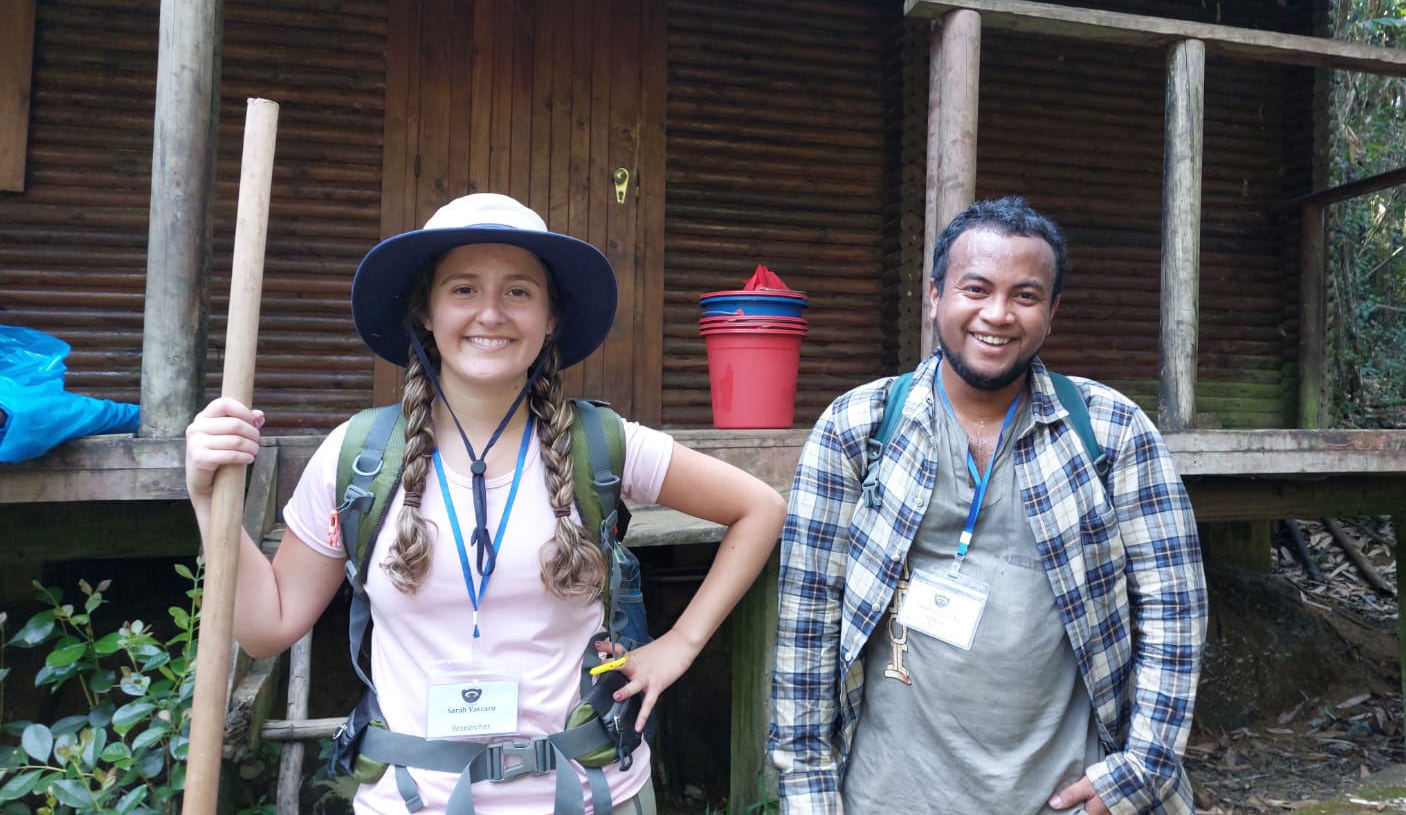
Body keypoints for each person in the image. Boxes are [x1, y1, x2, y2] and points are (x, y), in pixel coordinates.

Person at [186, 193, 786, 815]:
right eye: (464, 289)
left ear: (551, 317)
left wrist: (680, 644)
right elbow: (267, 628)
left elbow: (760, 508)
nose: (491, 313)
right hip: (409, 801)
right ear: (426, 311)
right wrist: (207, 501)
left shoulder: (602, 445)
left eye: (519, 291)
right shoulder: (359, 457)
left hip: (590, 797)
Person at [769, 196, 1207, 814]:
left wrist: (1141, 770)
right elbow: (807, 624)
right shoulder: (859, 428)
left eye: (1025, 296)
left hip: (1064, 798)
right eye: (975, 289)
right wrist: (809, 795)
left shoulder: (1111, 433)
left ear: (1052, 313)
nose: (997, 315)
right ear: (935, 296)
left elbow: (1174, 611)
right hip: (888, 797)